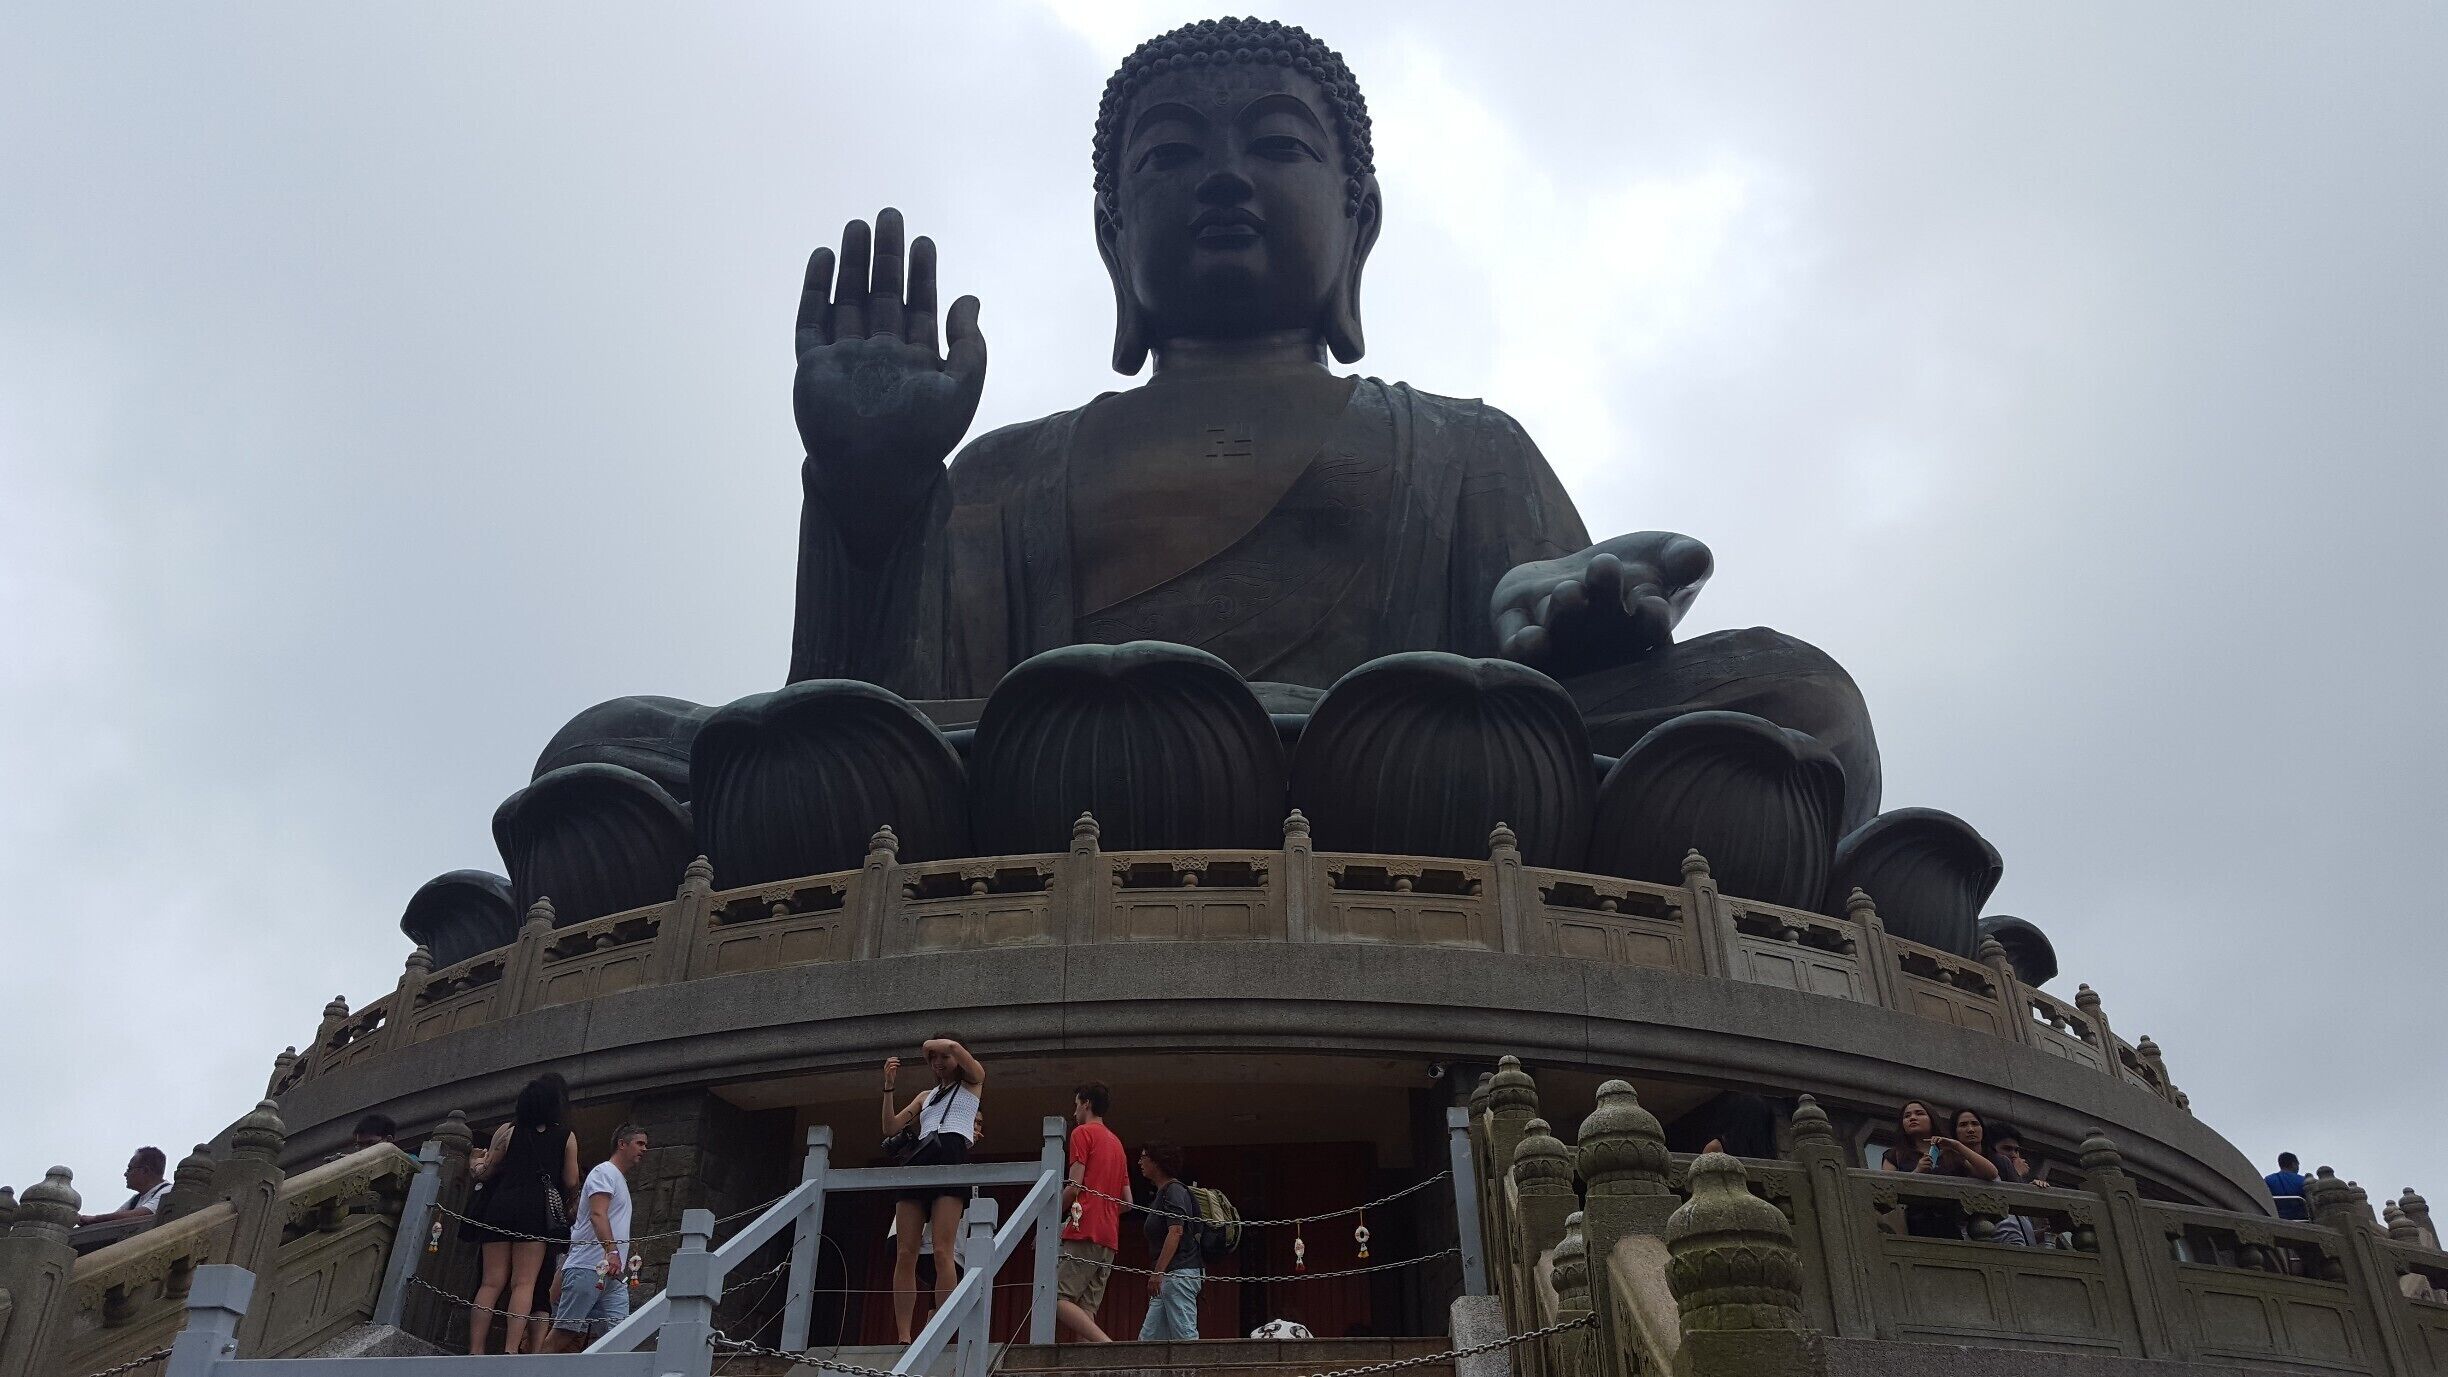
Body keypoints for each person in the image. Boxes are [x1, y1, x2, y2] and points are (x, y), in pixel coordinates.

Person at [462, 1074, 580, 1355]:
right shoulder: (566, 1135)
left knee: (490, 1282)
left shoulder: (508, 1131)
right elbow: (571, 1179)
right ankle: (511, 1349)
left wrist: (474, 1162)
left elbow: (487, 1170)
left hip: (501, 1205)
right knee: (524, 1283)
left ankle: (475, 1349)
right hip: (535, 1211)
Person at [881, 1036, 984, 1344]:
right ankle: (903, 1335)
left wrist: (935, 1046)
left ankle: (941, 1328)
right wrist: (889, 1086)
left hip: (951, 1154)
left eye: (944, 1057)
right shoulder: (926, 1095)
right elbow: (890, 1127)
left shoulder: (973, 1083)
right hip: (920, 1160)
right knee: (906, 1251)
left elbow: (950, 1047)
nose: (938, 1062)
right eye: (932, 1059)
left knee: (943, 1251)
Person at [543, 1124, 648, 1352]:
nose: (644, 1149)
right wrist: (611, 1252)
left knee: (619, 1338)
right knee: (565, 1332)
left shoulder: (618, 1178)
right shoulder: (604, 1172)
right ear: (622, 1144)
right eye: (640, 1143)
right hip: (589, 1267)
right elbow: (597, 1214)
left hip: (614, 1274)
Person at [1054, 1081, 1125, 1343]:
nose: (1074, 1113)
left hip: (1083, 1228)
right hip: (1109, 1237)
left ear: (1086, 1103)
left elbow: (1074, 1187)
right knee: (1085, 1310)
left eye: (1076, 1105)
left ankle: (1107, 1346)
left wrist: (1050, 1219)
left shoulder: (1082, 1133)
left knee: (1056, 1297)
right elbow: (1127, 1201)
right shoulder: (1116, 1143)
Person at [1878, 1101, 1994, 1238]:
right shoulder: (1894, 1155)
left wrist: (1957, 1145)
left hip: (1950, 1226)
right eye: (1907, 1116)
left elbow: (1990, 1173)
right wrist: (1917, 1173)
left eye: (1919, 1113)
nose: (1912, 1118)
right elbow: (1886, 1189)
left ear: (1932, 1119)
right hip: (1912, 1227)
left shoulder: (1951, 1154)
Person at [1135, 1142, 1203, 1341]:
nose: (1140, 1162)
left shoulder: (1173, 1190)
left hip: (1178, 1274)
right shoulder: (1164, 1193)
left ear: (1157, 1161)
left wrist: (1158, 1272)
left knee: (1185, 1335)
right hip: (1169, 1276)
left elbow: (1175, 1231)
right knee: (1149, 1339)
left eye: (1143, 1157)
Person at [75, 1147, 169, 1227]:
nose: (125, 1174)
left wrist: (94, 1219)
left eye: (129, 1169)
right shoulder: (135, 1199)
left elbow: (137, 1215)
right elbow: (115, 1217)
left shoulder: (168, 1191)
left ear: (144, 1170)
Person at [2267, 1152, 2309, 1222]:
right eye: (2298, 1165)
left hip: (2277, 1218)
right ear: (2294, 1164)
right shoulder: (2304, 1180)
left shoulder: (2268, 1179)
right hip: (2303, 1219)